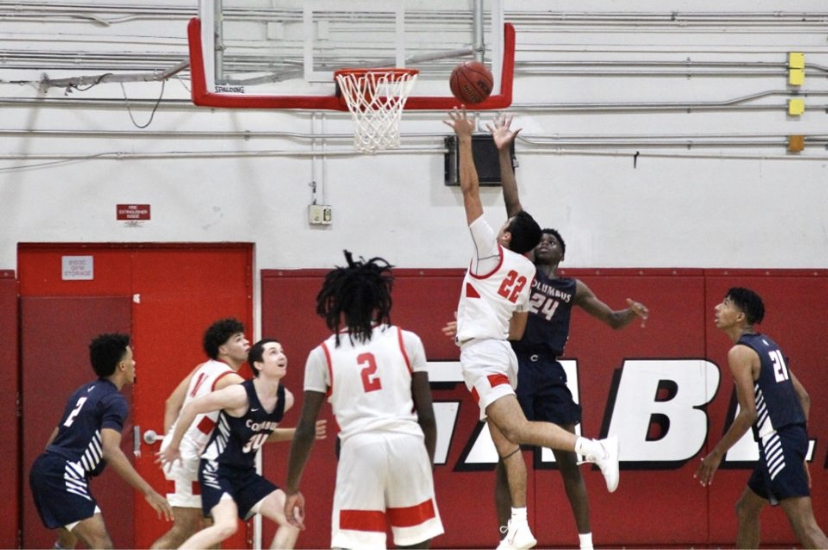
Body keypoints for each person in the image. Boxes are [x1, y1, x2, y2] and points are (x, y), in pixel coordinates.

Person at [442, 107, 619, 550]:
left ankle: (595, 448)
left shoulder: (492, 254)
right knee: (507, 448)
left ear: (503, 237)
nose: (497, 226)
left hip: (485, 352)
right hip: (500, 349)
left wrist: (466, 139)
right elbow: (519, 326)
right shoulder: (523, 271)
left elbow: (468, 189)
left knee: (517, 432)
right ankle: (518, 526)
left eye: (502, 226)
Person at [491, 113, 649, 550]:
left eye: (553, 241)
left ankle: (586, 543)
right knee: (507, 460)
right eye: (540, 238)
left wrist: (629, 312)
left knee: (568, 460)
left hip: (550, 372)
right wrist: (504, 151)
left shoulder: (572, 287)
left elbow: (613, 322)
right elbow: (513, 206)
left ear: (562, 253)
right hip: (515, 364)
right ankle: (507, 536)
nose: (545, 241)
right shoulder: (520, 266)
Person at [283, 251, 444, 549]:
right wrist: (425, 465)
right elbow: (428, 418)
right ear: (378, 301)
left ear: (339, 304)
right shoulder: (406, 340)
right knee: (416, 541)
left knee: (355, 543)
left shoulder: (324, 353)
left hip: (359, 450)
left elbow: (305, 429)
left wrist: (292, 488)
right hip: (408, 444)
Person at [694, 287, 827, 548]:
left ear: (740, 316)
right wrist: (797, 447)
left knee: (805, 526)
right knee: (746, 508)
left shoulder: (740, 353)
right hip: (788, 439)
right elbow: (804, 397)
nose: (717, 309)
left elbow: (748, 413)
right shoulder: (769, 345)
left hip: (778, 440)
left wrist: (717, 453)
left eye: (725, 304)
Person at [157, 338, 316, 550]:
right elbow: (192, 406)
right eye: (273, 352)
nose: (281, 355)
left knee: (291, 517)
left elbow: (260, 434)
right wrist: (174, 444)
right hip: (217, 469)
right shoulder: (238, 393)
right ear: (258, 365)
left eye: (282, 351)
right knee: (224, 527)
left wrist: (298, 434)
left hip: (244, 472)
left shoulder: (285, 399)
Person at [29, 333, 173, 549]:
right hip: (64, 472)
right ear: (122, 366)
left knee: (67, 541)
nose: (135, 363)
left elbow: (54, 439)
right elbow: (110, 450)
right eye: (132, 359)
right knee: (102, 545)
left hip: (47, 467)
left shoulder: (83, 391)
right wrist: (149, 492)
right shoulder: (114, 401)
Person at [151, 317, 250, 549]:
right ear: (223, 349)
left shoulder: (202, 368)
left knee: (212, 527)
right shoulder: (232, 380)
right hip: (190, 456)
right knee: (184, 530)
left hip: (188, 452)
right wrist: (180, 445)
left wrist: (173, 440)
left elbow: (170, 403)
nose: (247, 342)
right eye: (239, 339)